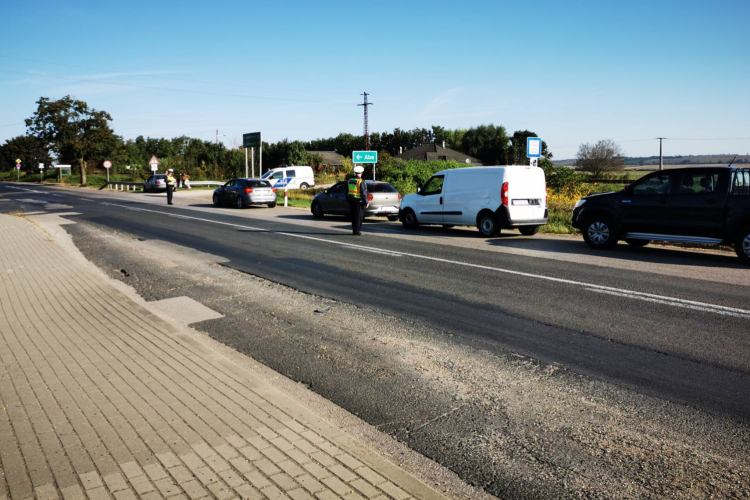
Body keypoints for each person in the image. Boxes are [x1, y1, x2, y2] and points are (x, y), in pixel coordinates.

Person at [346, 166, 369, 235]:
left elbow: (346, 191)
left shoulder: (350, 180)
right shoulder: (360, 181)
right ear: (361, 173)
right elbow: (363, 192)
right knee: (358, 216)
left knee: (353, 216)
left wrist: (348, 199)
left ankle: (354, 230)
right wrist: (366, 202)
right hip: (358, 201)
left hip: (351, 200)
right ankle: (357, 231)